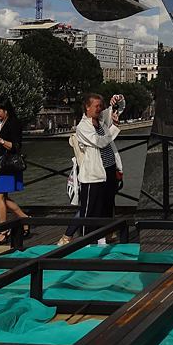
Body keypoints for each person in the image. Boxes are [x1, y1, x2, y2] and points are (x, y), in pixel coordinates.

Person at [75, 93, 123, 243]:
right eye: (96, 106)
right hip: (93, 174)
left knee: (107, 205)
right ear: (87, 107)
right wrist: (114, 129)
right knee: (90, 209)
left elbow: (118, 109)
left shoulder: (101, 121)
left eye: (100, 106)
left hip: (108, 169)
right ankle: (86, 240)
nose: (99, 109)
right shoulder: (82, 127)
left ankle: (105, 237)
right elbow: (100, 142)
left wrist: (118, 99)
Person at [0, 96, 29, 245]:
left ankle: (4, 231)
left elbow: (16, 146)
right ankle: (24, 219)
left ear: (6, 110)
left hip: (8, 164)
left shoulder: (14, 123)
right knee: (2, 198)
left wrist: (0, 140)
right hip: (0, 164)